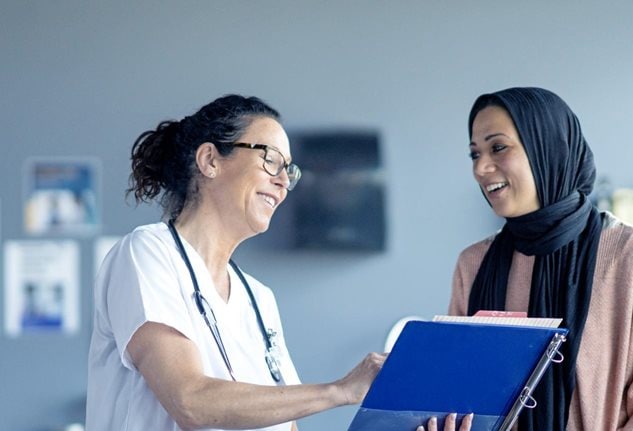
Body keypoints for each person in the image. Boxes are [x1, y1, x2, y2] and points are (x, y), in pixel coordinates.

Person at [86, 94, 471, 431]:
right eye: (271, 160)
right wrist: (341, 390)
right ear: (210, 160)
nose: (284, 181)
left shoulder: (259, 298)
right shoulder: (147, 253)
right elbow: (190, 401)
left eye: (290, 170)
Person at [448, 87, 633, 430]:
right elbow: (458, 396)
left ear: (546, 146)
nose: (481, 168)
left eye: (498, 147)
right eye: (475, 154)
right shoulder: (472, 265)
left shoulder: (632, 254)